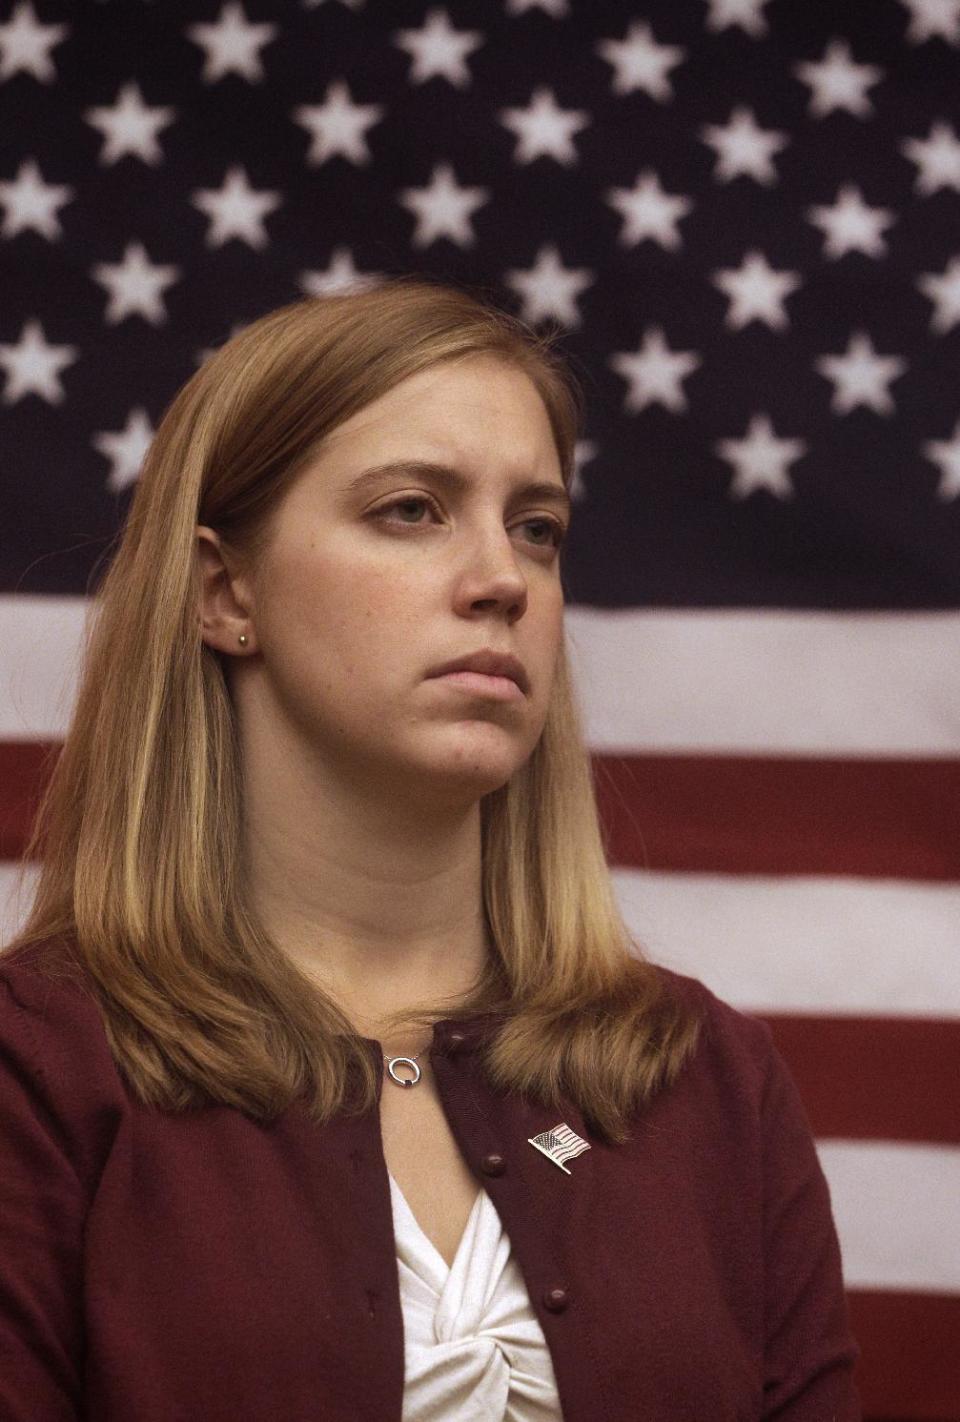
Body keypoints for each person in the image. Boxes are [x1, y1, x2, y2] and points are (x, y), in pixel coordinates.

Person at [0, 276, 861, 1421]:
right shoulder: (38, 1073)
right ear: (225, 590)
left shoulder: (706, 1080)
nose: (502, 580)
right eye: (413, 509)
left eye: (538, 528)